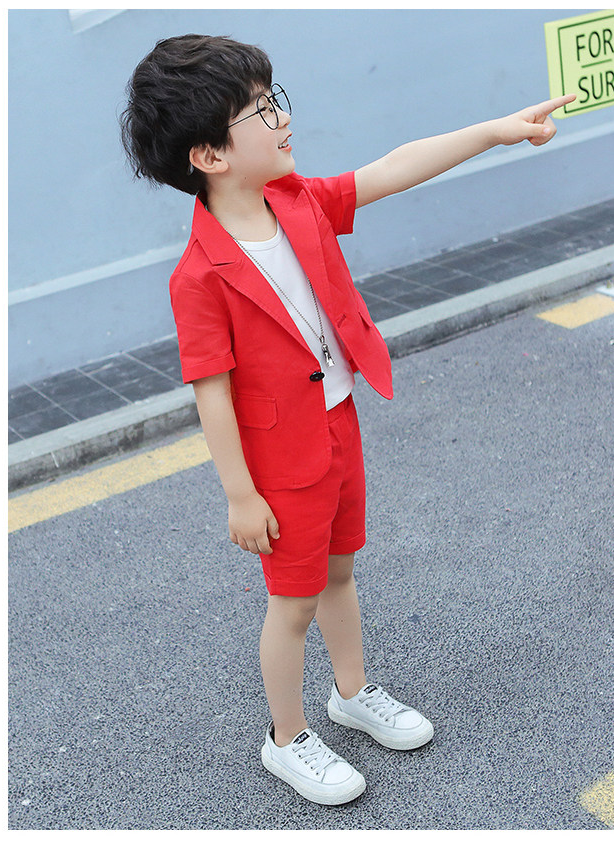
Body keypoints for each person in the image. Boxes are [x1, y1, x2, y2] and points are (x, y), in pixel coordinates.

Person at [120, 33, 573, 805]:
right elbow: (211, 390)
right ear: (210, 155)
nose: (282, 118)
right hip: (280, 460)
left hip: (337, 423)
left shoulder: (297, 201)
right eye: (261, 110)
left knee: (339, 571)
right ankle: (286, 736)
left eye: (275, 100)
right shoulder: (200, 275)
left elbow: (391, 168)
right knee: (292, 602)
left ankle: (352, 692)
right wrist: (240, 494)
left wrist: (495, 131)